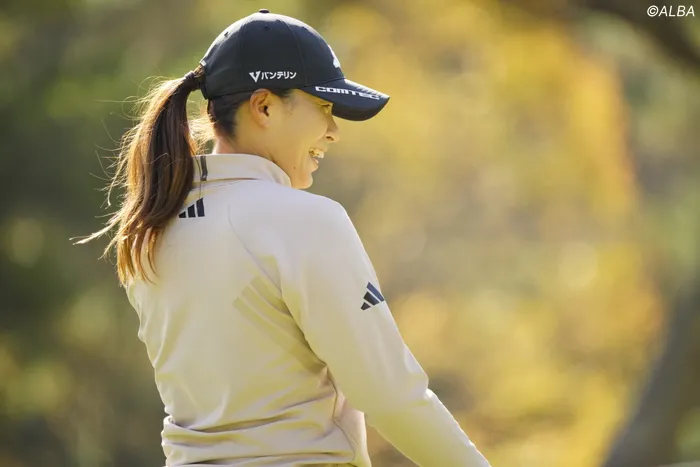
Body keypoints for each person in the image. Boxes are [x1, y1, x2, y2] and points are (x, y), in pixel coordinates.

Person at [80, 9, 491, 467]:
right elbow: (392, 396)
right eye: (324, 108)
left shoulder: (150, 227)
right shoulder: (305, 221)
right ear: (265, 107)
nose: (333, 132)